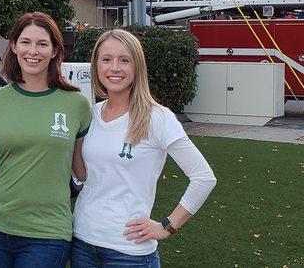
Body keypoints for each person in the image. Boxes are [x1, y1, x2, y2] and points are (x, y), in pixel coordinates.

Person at [71, 29, 217, 267]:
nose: (114, 68)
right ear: (96, 65)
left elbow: (203, 178)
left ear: (137, 66)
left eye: (124, 60)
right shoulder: (91, 114)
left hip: (128, 252)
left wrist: (167, 226)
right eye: (106, 59)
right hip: (82, 243)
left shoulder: (157, 118)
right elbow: (85, 176)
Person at [0, 12, 92, 268]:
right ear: (14, 46)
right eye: (26, 42)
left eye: (42, 43)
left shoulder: (76, 104)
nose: (33, 51)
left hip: (49, 234)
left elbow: (84, 170)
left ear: (54, 51)